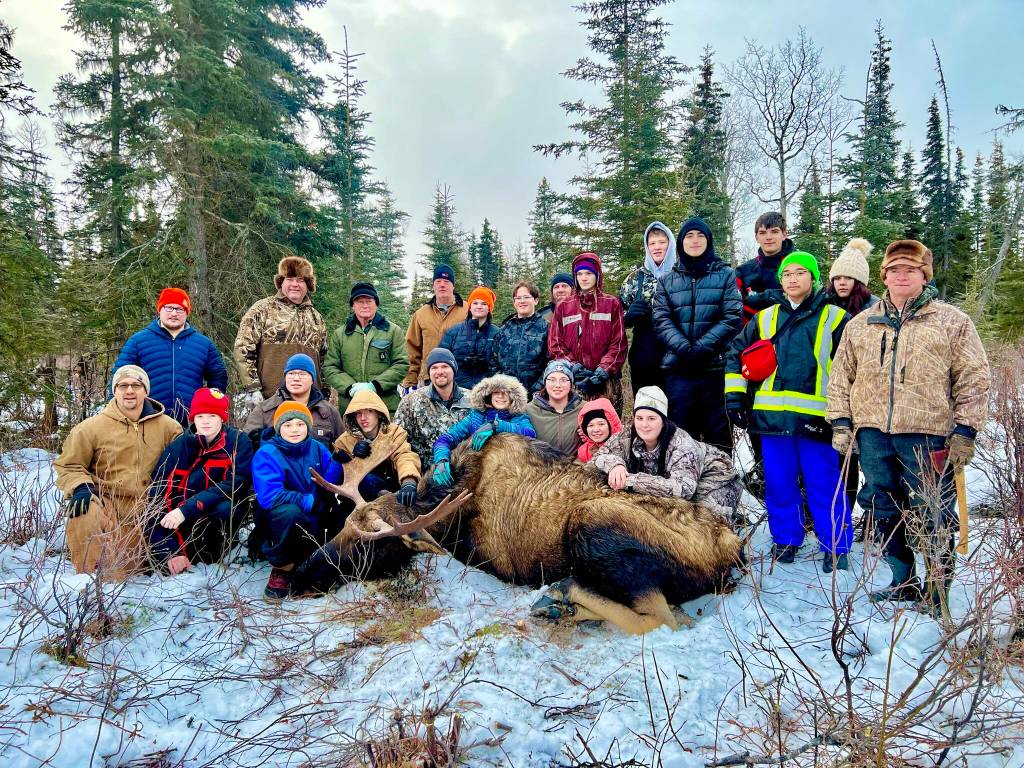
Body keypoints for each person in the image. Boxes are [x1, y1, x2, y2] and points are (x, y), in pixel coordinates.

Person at [827, 240, 990, 613]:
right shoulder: (860, 324)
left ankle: (937, 592)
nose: (901, 276)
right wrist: (841, 422)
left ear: (924, 276)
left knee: (932, 511)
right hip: (872, 435)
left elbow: (974, 377)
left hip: (928, 435)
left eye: (910, 270)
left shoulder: (952, 322)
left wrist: (966, 430)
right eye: (894, 270)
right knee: (883, 506)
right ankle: (902, 580)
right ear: (883, 276)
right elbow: (840, 377)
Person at [725, 251, 852, 572]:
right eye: (787, 274)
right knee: (779, 484)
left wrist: (846, 414)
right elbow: (735, 354)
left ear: (814, 278)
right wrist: (735, 397)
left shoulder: (836, 318)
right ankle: (786, 539)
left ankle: (836, 545)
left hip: (817, 420)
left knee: (824, 484)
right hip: (772, 420)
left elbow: (854, 368)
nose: (793, 279)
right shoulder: (764, 318)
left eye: (800, 273)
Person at [53, 365, 183, 579]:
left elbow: (186, 465)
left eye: (136, 385)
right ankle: (92, 580)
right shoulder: (90, 428)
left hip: (151, 512)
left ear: (146, 390)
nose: (129, 391)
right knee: (84, 509)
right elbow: (69, 465)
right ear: (115, 391)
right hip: (109, 508)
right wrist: (81, 486)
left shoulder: (170, 428)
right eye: (123, 386)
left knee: (130, 568)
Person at [652, 217, 742, 452]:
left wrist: (702, 347)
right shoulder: (667, 280)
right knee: (681, 435)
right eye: (689, 236)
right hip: (680, 369)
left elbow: (732, 316)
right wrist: (684, 347)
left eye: (700, 235)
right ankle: (683, 474)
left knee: (718, 436)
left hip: (714, 368)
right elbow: (661, 319)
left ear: (708, 241)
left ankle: (720, 475)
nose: (695, 241)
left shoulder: (725, 275)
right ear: (681, 242)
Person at [590, 386, 742, 521]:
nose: (644, 425)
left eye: (651, 418)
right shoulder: (627, 435)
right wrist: (615, 465)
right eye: (639, 418)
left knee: (699, 522)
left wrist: (630, 481)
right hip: (676, 482)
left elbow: (683, 489)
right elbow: (596, 459)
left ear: (663, 420)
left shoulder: (682, 444)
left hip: (715, 480)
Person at [148, 388, 253, 575]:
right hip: (184, 520)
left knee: (226, 508)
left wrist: (186, 509)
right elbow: (158, 495)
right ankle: (184, 554)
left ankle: (218, 552)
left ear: (222, 418)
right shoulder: (180, 447)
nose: (205, 421)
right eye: (200, 416)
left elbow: (234, 485)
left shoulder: (238, 441)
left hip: (214, 515)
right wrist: (171, 552)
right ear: (193, 418)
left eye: (212, 415)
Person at [251, 401, 346, 599]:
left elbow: (328, 481)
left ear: (308, 426)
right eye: (288, 425)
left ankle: (311, 564)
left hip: (313, 516)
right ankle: (282, 567)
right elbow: (270, 496)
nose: (294, 429)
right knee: (290, 513)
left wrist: (338, 462)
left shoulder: (317, 448)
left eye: (300, 424)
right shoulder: (267, 453)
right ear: (279, 428)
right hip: (280, 520)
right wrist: (309, 502)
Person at [113, 288, 227, 426]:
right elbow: (118, 377)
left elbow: (218, 377)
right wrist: (116, 412)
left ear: (186, 313)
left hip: (190, 423)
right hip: (148, 419)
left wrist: (208, 408)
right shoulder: (138, 341)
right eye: (169, 308)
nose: (174, 313)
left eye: (179, 309)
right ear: (160, 310)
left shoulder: (203, 344)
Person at [824, 238, 880, 522]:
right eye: (837, 278)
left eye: (848, 278)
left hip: (868, 396)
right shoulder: (823, 306)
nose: (841, 283)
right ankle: (840, 515)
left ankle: (875, 518)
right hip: (833, 394)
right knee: (839, 460)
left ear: (860, 282)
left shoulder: (876, 310)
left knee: (869, 462)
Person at [234, 256, 329, 398]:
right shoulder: (262, 309)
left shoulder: (317, 318)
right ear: (281, 282)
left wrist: (325, 391)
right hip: (270, 399)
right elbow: (243, 348)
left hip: (309, 400)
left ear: (308, 284)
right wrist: (253, 388)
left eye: (300, 280)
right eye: (289, 279)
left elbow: (324, 360)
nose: (295, 284)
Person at [548, 252, 628, 410]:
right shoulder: (564, 306)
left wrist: (603, 371)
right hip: (576, 381)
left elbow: (618, 344)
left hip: (606, 382)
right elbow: (555, 344)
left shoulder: (611, 304)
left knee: (607, 422)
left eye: (588, 273)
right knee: (577, 423)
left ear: (597, 275)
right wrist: (574, 367)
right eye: (579, 274)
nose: (584, 278)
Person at [431, 374, 536, 486]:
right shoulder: (476, 417)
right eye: (496, 392)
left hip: (511, 474)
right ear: (489, 395)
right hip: (478, 476)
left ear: (513, 398)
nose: (501, 396)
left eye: (506, 393)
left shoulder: (518, 417)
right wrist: (441, 460)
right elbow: (446, 439)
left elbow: (530, 434)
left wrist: (496, 425)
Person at [323, 281, 408, 416]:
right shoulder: (340, 334)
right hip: (351, 409)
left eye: (369, 301)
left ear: (376, 304)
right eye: (359, 301)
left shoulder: (393, 331)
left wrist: (375, 385)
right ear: (353, 305)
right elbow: (330, 367)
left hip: (385, 408)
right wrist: (350, 387)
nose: (364, 305)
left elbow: (401, 364)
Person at [333, 389, 421, 508]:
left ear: (379, 413)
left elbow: (404, 456)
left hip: (392, 490)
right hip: (357, 500)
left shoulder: (394, 433)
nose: (363, 418)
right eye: (358, 413)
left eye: (369, 411)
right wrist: (353, 459)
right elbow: (337, 474)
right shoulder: (344, 441)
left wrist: (408, 480)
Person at [620, 222, 676, 396]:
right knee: (645, 406)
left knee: (676, 406)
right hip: (644, 356)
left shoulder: (683, 274)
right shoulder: (635, 279)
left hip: (677, 355)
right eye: (652, 243)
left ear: (670, 244)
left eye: (662, 242)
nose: (657, 247)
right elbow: (617, 317)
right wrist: (628, 316)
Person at [243, 353, 343, 450]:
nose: (296, 378)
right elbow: (246, 446)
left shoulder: (329, 412)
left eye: (302, 374)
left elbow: (342, 449)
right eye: (291, 373)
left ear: (312, 379)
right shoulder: (264, 410)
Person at [394, 348, 472, 469]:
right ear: (429, 373)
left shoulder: (473, 400)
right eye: (434, 368)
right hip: (425, 471)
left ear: (454, 369)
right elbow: (398, 440)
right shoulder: (410, 401)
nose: (439, 372)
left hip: (466, 468)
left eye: (445, 366)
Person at [402, 264, 469, 391]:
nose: (442, 285)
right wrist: (410, 382)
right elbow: (412, 350)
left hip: (461, 379)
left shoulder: (468, 311)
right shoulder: (420, 314)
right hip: (430, 378)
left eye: (446, 282)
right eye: (438, 281)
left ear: (453, 286)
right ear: (433, 285)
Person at [735, 212, 795, 325]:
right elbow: (734, 308)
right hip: (753, 331)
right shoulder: (743, 272)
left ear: (784, 234)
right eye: (762, 233)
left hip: (794, 329)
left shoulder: (801, 266)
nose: (768, 237)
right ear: (756, 237)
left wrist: (766, 297)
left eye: (774, 232)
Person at [492, 280, 548, 396]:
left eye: (526, 297)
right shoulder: (504, 329)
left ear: (536, 300)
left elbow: (551, 361)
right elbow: (493, 360)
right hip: (507, 394)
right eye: (518, 298)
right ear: (514, 302)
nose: (522, 301)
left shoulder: (546, 328)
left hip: (536, 396)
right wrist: (501, 384)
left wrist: (538, 388)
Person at [440, 285, 499, 389]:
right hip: (457, 390)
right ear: (470, 307)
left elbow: (502, 364)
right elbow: (441, 359)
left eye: (484, 303)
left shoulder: (498, 334)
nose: (479, 306)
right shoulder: (454, 332)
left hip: (487, 390)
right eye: (475, 303)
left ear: (489, 308)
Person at [526, 360, 585, 456]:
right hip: (539, 464)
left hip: (576, 464)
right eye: (552, 380)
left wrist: (589, 435)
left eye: (563, 380)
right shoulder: (528, 410)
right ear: (545, 383)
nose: (558, 385)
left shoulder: (585, 408)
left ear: (571, 383)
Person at [576, 397, 622, 463]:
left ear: (611, 425)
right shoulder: (583, 452)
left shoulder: (624, 447)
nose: (596, 430)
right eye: (591, 425)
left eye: (601, 424)